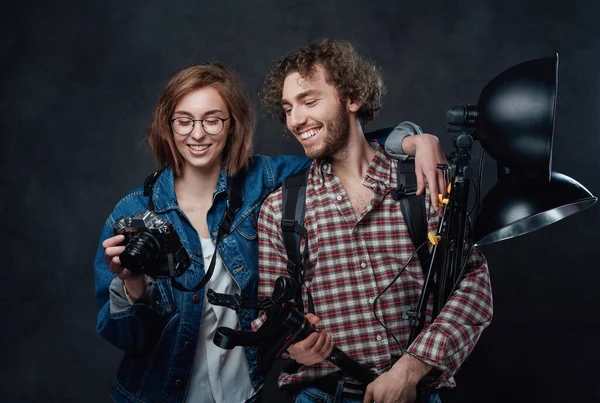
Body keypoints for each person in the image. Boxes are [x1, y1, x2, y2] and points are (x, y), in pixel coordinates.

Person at [94, 62, 448, 403]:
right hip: (155, 395)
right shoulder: (131, 214)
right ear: (167, 126)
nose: (197, 134)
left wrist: (413, 141)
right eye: (183, 122)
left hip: (244, 393)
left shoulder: (265, 181)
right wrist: (134, 287)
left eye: (212, 121)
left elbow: (340, 143)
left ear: (232, 125)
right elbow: (128, 339)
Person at [255, 40, 494, 403]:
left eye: (309, 101)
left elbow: (473, 287)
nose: (295, 120)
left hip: (415, 392)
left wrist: (409, 369)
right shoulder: (281, 210)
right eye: (288, 108)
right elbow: (269, 313)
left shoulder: (423, 182)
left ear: (351, 98)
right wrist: (292, 345)